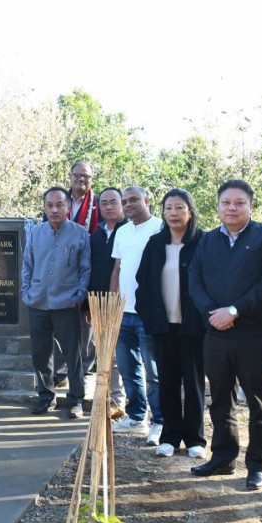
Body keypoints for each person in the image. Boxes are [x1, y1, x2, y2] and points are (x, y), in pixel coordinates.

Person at [188, 179, 262, 491]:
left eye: (239, 202)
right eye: (226, 202)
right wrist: (213, 314)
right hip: (215, 334)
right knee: (220, 400)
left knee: (259, 402)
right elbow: (195, 282)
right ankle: (223, 456)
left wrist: (235, 311)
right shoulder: (207, 241)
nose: (232, 208)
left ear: (250, 206)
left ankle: (257, 465)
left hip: (253, 334)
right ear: (217, 207)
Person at [134, 188, 207, 459]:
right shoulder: (155, 244)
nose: (174, 213)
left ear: (190, 211)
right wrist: (150, 318)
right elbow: (143, 283)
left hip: (193, 326)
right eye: (169, 208)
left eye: (179, 207)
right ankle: (170, 437)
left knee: (194, 382)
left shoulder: (203, 242)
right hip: (164, 326)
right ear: (163, 213)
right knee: (166, 381)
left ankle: (196, 438)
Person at [22, 187, 91, 419]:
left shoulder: (80, 234)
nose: (54, 210)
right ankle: (45, 396)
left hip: (67, 304)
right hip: (37, 302)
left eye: (59, 205)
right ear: (44, 207)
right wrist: (26, 292)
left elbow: (85, 268)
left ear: (68, 207)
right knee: (41, 354)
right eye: (49, 205)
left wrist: (79, 296)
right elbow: (27, 266)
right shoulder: (35, 232)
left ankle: (76, 400)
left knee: (73, 354)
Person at [109, 186, 163, 445]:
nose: (128, 205)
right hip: (123, 312)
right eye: (124, 201)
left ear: (147, 200)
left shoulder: (160, 228)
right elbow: (117, 268)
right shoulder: (122, 231)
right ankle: (136, 416)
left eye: (133, 200)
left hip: (148, 314)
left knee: (153, 371)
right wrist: (112, 303)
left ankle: (160, 422)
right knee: (129, 369)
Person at [54, 160, 100, 385]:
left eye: (87, 176)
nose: (81, 179)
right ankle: (61, 373)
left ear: (92, 180)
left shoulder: (99, 204)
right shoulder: (58, 202)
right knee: (59, 324)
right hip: (61, 272)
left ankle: (81, 370)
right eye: (77, 175)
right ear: (70, 177)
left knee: (86, 325)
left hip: (89, 269)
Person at [85, 187, 128, 417]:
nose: (109, 207)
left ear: (122, 205)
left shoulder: (130, 231)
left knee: (120, 353)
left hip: (124, 302)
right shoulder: (95, 236)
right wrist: (88, 303)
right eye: (104, 203)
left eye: (113, 202)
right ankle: (103, 398)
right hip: (98, 301)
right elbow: (89, 270)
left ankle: (119, 400)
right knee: (103, 352)